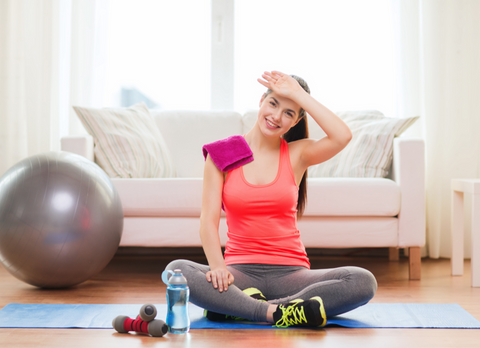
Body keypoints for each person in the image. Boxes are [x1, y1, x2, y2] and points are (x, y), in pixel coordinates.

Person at [166, 71, 377, 327]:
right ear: (261, 101)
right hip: (239, 272)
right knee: (177, 270)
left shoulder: (298, 154)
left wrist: (298, 94)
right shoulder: (222, 154)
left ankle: (240, 307)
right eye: (273, 104)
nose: (276, 117)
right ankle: (276, 313)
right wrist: (218, 267)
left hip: (292, 274)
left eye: (289, 112)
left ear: (296, 120)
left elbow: (342, 136)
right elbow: (207, 222)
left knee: (362, 281)